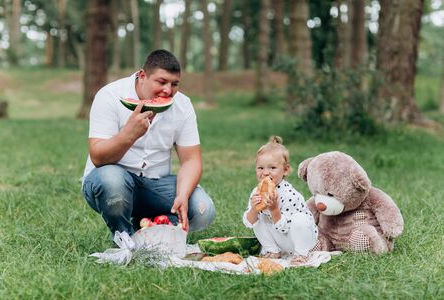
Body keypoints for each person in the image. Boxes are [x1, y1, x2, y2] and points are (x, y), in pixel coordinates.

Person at [81, 49, 215, 236]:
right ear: (142, 76)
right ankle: (124, 238)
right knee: (112, 182)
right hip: (111, 180)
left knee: (203, 210)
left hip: (156, 184)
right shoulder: (110, 96)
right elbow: (98, 157)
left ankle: (149, 227)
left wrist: (183, 195)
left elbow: (191, 160)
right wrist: (129, 134)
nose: (168, 90)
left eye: (174, 84)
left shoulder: (183, 105)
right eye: (161, 82)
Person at [242, 136, 317, 259]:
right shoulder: (257, 192)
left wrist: (274, 210)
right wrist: (254, 209)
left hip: (300, 239)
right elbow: (249, 223)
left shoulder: (289, 195)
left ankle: (301, 255)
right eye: (261, 168)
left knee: (300, 219)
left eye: (272, 168)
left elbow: (287, 228)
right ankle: (273, 251)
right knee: (258, 219)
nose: (265, 173)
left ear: (286, 170)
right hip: (281, 241)